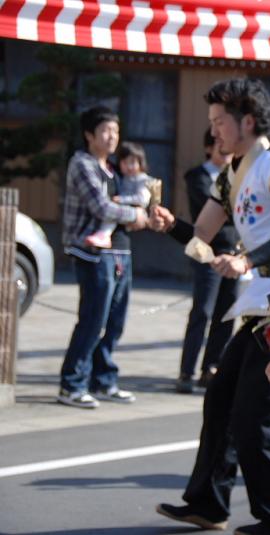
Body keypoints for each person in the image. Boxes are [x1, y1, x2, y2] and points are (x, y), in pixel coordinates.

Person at [152, 78, 270, 535]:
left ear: (247, 121)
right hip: (262, 303)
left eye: (219, 123)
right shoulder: (230, 175)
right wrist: (170, 227)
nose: (214, 134)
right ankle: (209, 504)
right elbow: (203, 239)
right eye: (211, 125)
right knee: (221, 397)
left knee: (254, 411)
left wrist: (248, 257)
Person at [58, 106, 149, 409]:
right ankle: (72, 384)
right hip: (93, 253)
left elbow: (122, 205)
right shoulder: (82, 164)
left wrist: (141, 213)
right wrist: (136, 214)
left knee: (115, 321)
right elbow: (101, 207)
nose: (112, 137)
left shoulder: (112, 168)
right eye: (105, 131)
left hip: (121, 250)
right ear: (89, 135)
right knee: (92, 319)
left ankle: (103, 379)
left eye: (115, 130)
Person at [175, 129, 238, 394]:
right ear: (208, 147)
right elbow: (210, 217)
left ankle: (211, 367)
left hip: (234, 253)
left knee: (227, 313)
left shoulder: (239, 177)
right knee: (203, 310)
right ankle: (187, 371)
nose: (224, 150)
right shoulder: (198, 176)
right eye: (218, 144)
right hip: (206, 252)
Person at [84, 141, 153, 249]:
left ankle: (104, 236)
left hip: (136, 210)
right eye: (125, 162)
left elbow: (143, 199)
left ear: (141, 163)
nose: (129, 167)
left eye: (133, 162)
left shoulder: (142, 179)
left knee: (112, 216)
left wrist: (122, 200)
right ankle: (103, 235)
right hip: (128, 213)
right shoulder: (123, 177)